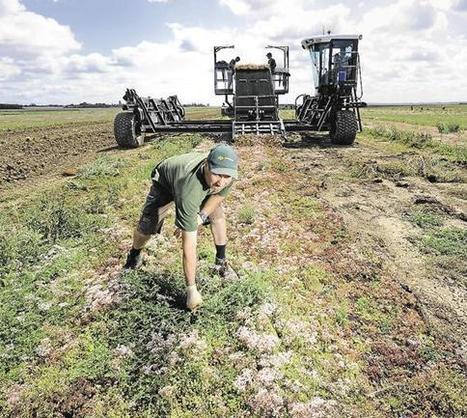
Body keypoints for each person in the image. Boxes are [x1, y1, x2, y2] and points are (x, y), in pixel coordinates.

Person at [124, 143, 239, 311]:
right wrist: (191, 289)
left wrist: (201, 217)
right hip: (165, 182)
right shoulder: (189, 190)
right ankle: (134, 254)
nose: (221, 181)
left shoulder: (228, 172)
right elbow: (189, 245)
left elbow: (218, 196)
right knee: (147, 227)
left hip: (189, 183)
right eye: (216, 174)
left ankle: (221, 262)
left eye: (226, 177)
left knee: (217, 215)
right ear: (207, 165)